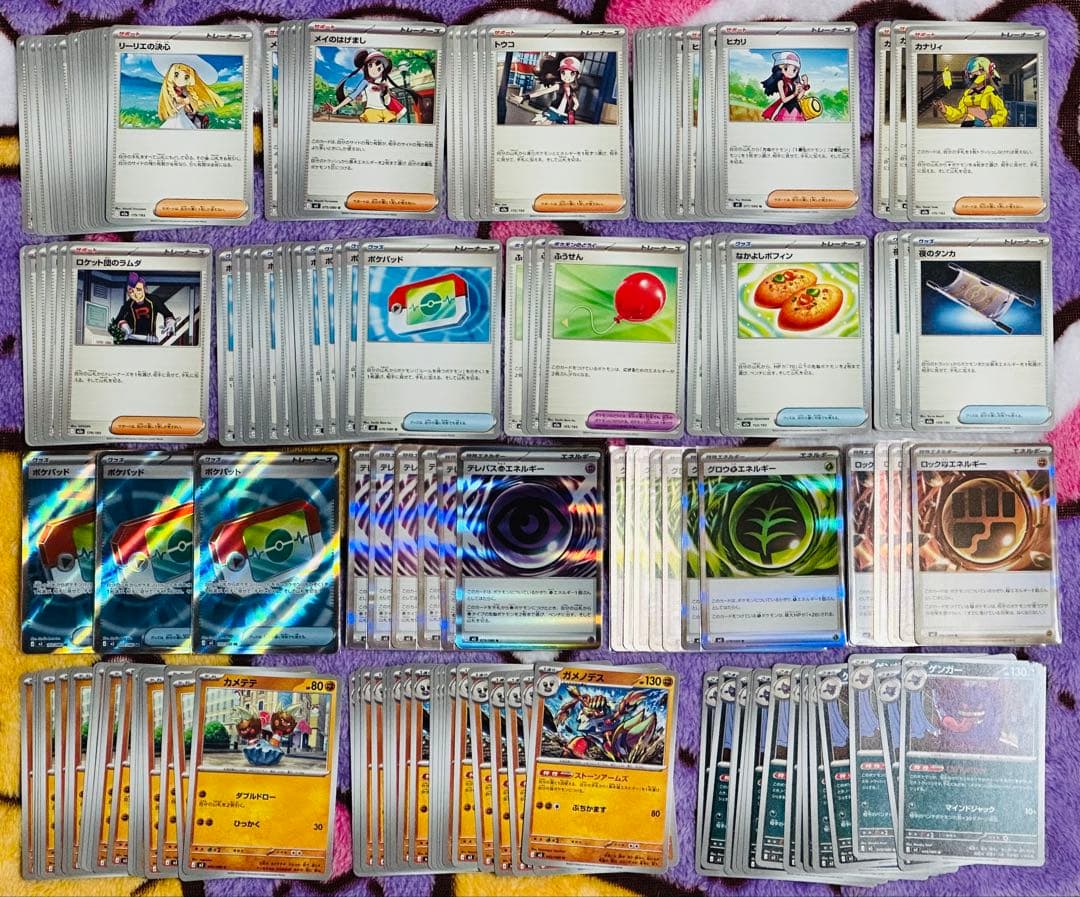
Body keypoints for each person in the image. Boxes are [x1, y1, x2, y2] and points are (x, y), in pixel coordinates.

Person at [325, 49, 407, 122]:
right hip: (371, 111)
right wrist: (336, 107)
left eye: (379, 68)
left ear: (383, 70)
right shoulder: (365, 82)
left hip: (385, 111)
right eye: (370, 65)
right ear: (366, 68)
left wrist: (386, 93)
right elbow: (353, 95)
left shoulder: (383, 83)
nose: (374, 70)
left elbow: (387, 102)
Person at [933, 56, 1008, 127]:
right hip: (967, 123)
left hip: (982, 124)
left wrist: (992, 122)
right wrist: (945, 110)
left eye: (980, 70)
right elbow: (960, 112)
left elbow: (1002, 111)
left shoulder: (990, 91)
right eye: (971, 73)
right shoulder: (968, 92)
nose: (972, 75)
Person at [109, 273, 177, 344]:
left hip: (151, 340)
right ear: (128, 293)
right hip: (133, 341)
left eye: (138, 290)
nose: (136, 294)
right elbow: (116, 322)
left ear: (145, 289)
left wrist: (170, 322)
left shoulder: (154, 300)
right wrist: (123, 325)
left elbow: (167, 314)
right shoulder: (128, 305)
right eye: (131, 291)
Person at [157, 62, 224, 130]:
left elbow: (190, 110)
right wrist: (183, 102)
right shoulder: (170, 91)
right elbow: (172, 107)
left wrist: (188, 103)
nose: (180, 81)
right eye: (176, 74)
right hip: (175, 118)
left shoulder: (185, 91)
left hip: (182, 118)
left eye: (186, 77)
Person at [526, 56, 582, 124]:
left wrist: (572, 111)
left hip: (564, 115)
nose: (567, 77)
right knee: (541, 123)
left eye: (572, 73)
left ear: (577, 75)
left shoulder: (572, 91)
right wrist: (526, 97)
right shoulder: (558, 86)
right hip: (553, 111)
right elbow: (543, 92)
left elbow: (576, 104)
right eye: (563, 73)